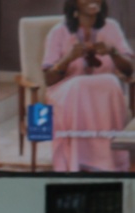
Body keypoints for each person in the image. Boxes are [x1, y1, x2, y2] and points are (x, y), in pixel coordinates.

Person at [42, 0, 134, 172]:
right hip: (67, 92)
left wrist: (113, 52)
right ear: (74, 3)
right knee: (80, 85)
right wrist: (68, 58)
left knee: (111, 82)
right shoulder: (58, 32)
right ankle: (80, 160)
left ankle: (107, 161)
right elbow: (49, 79)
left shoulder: (112, 27)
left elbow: (129, 70)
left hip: (103, 94)